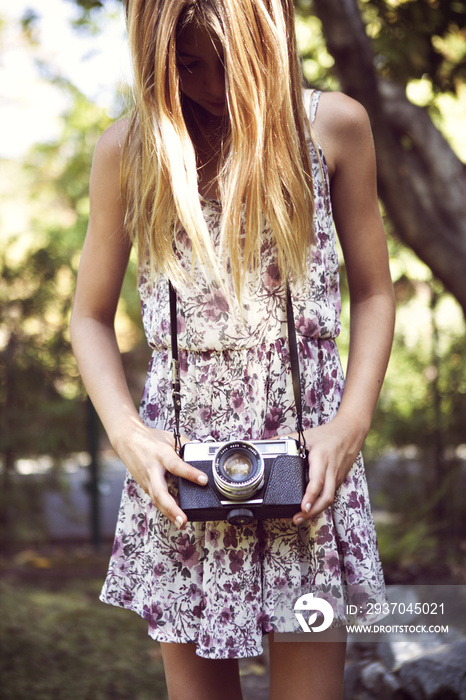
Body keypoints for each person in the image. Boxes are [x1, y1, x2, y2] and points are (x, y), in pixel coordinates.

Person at [70, 0, 395, 698]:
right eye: (188, 66)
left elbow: (374, 294)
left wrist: (349, 426)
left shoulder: (333, 127)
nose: (212, 87)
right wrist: (129, 436)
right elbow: (89, 317)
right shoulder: (129, 150)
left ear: (269, 41)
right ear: (154, 55)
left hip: (309, 474)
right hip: (180, 479)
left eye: (230, 65)